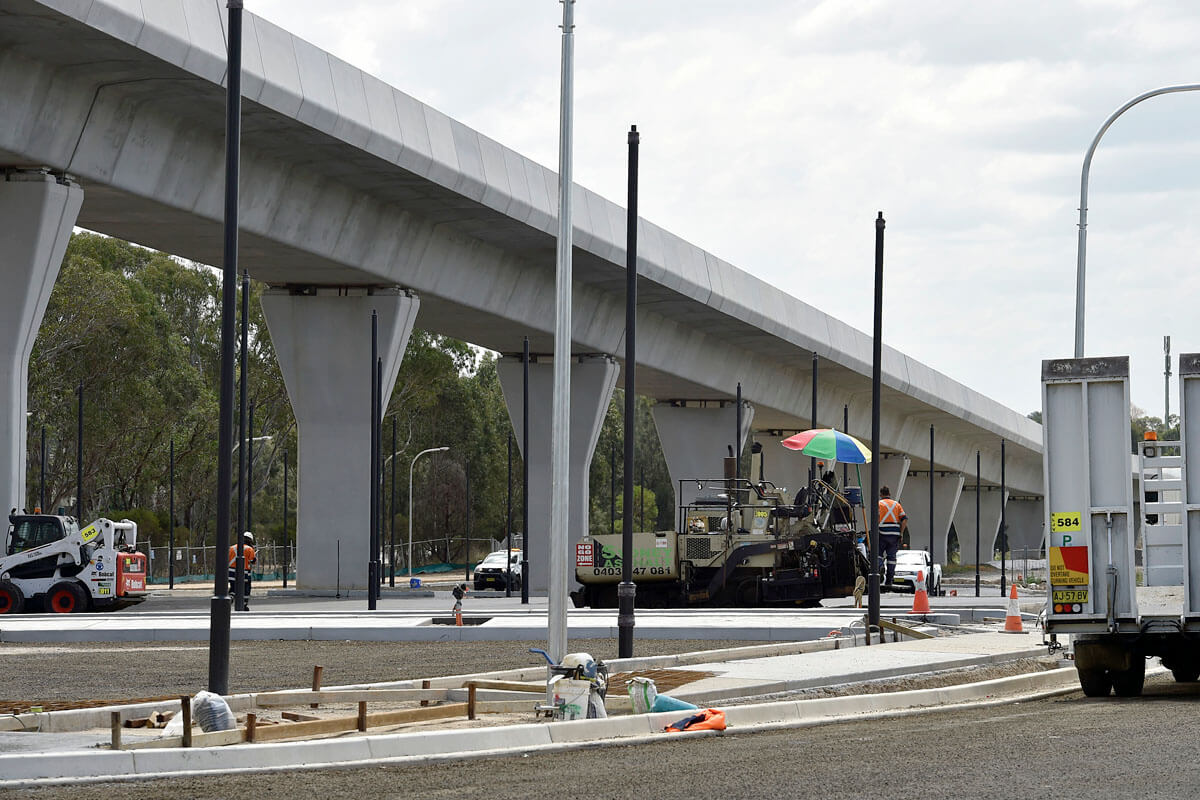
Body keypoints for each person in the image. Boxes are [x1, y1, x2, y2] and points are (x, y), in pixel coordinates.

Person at [877, 487, 907, 591]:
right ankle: (889, 579)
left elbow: (876, 517)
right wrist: (901, 533)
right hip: (894, 534)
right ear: (889, 493)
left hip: (882, 533)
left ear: (881, 494)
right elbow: (904, 519)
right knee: (892, 558)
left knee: (878, 555)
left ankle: (879, 570)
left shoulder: (879, 504)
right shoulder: (897, 505)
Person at [227, 531, 257, 611]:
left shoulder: (232, 548)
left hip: (231, 573)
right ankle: (244, 604)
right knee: (246, 588)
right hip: (244, 573)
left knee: (233, 588)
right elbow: (252, 561)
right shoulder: (249, 549)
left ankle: (230, 598)